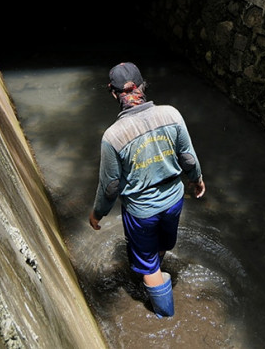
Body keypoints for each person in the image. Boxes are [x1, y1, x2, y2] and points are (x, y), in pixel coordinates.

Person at [88, 62, 206, 318]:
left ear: (113, 93)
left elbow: (110, 187)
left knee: (148, 266)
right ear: (143, 86)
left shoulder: (113, 136)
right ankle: (156, 267)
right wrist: (197, 179)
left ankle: (166, 317)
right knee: (162, 245)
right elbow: (187, 158)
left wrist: (97, 214)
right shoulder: (171, 114)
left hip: (142, 212)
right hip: (174, 201)